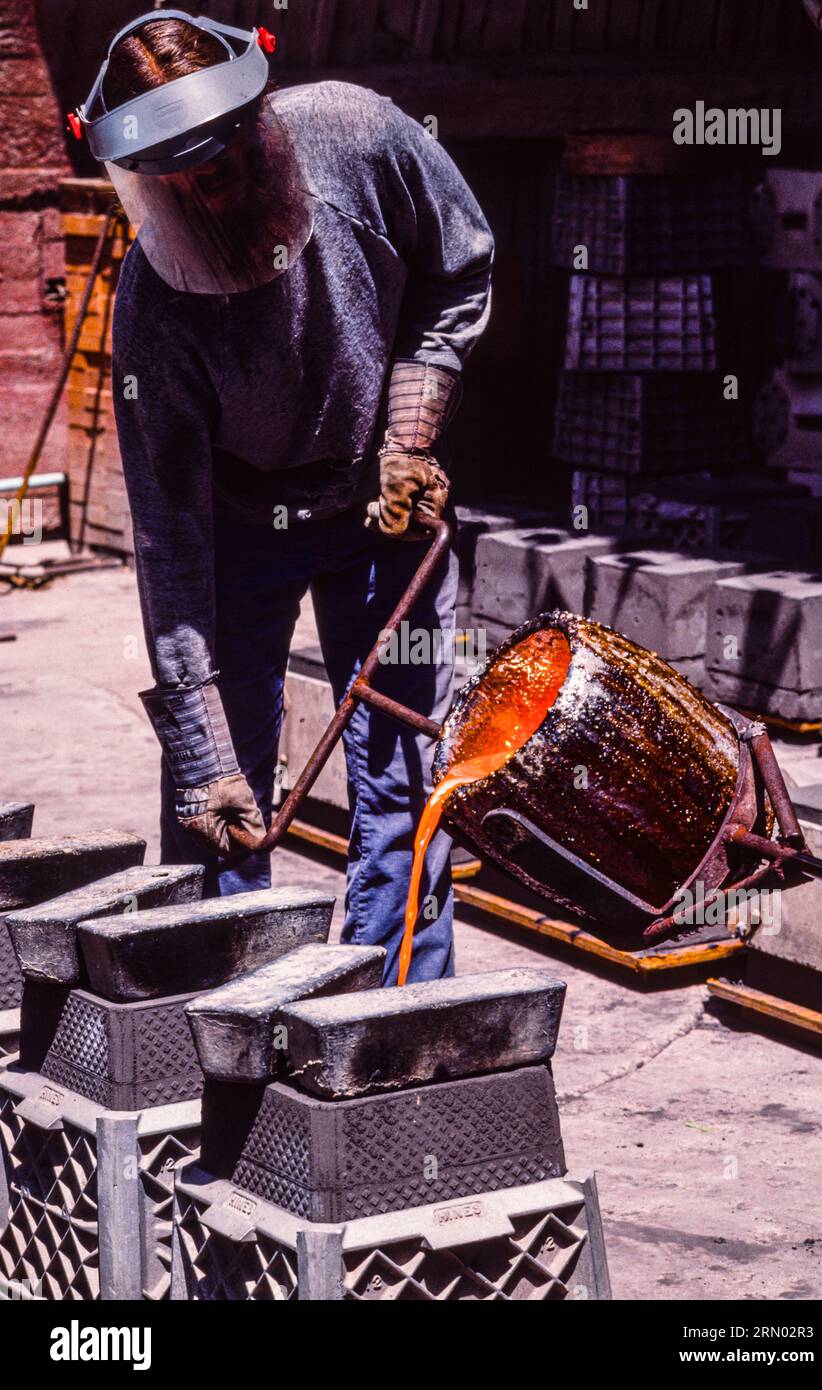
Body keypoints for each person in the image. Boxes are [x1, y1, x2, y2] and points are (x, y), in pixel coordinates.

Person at [74, 10, 494, 984]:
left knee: (406, 779)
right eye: (168, 194)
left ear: (257, 131)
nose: (198, 211)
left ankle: (393, 1023)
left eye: (212, 178)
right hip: (239, 525)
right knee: (225, 805)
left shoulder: (360, 135)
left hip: (384, 502)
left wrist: (409, 433)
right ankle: (226, 1038)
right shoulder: (155, 316)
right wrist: (201, 746)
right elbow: (171, 548)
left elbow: (458, 269)